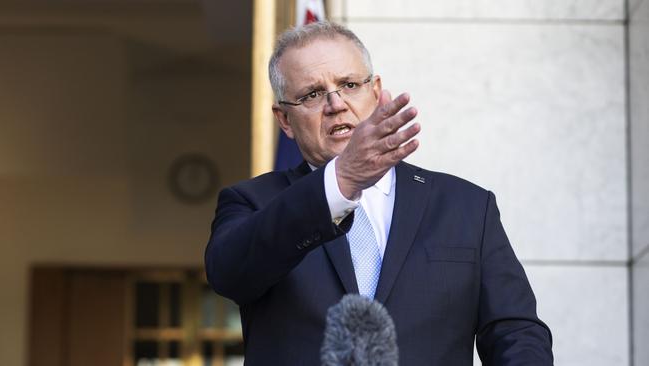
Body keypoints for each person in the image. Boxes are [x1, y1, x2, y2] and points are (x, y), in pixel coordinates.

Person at [205, 21, 553, 365]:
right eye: (311, 94)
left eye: (350, 84)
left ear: (376, 91)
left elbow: (515, 332)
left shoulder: (468, 207)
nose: (336, 104)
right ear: (284, 120)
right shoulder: (252, 202)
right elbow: (229, 275)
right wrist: (341, 180)